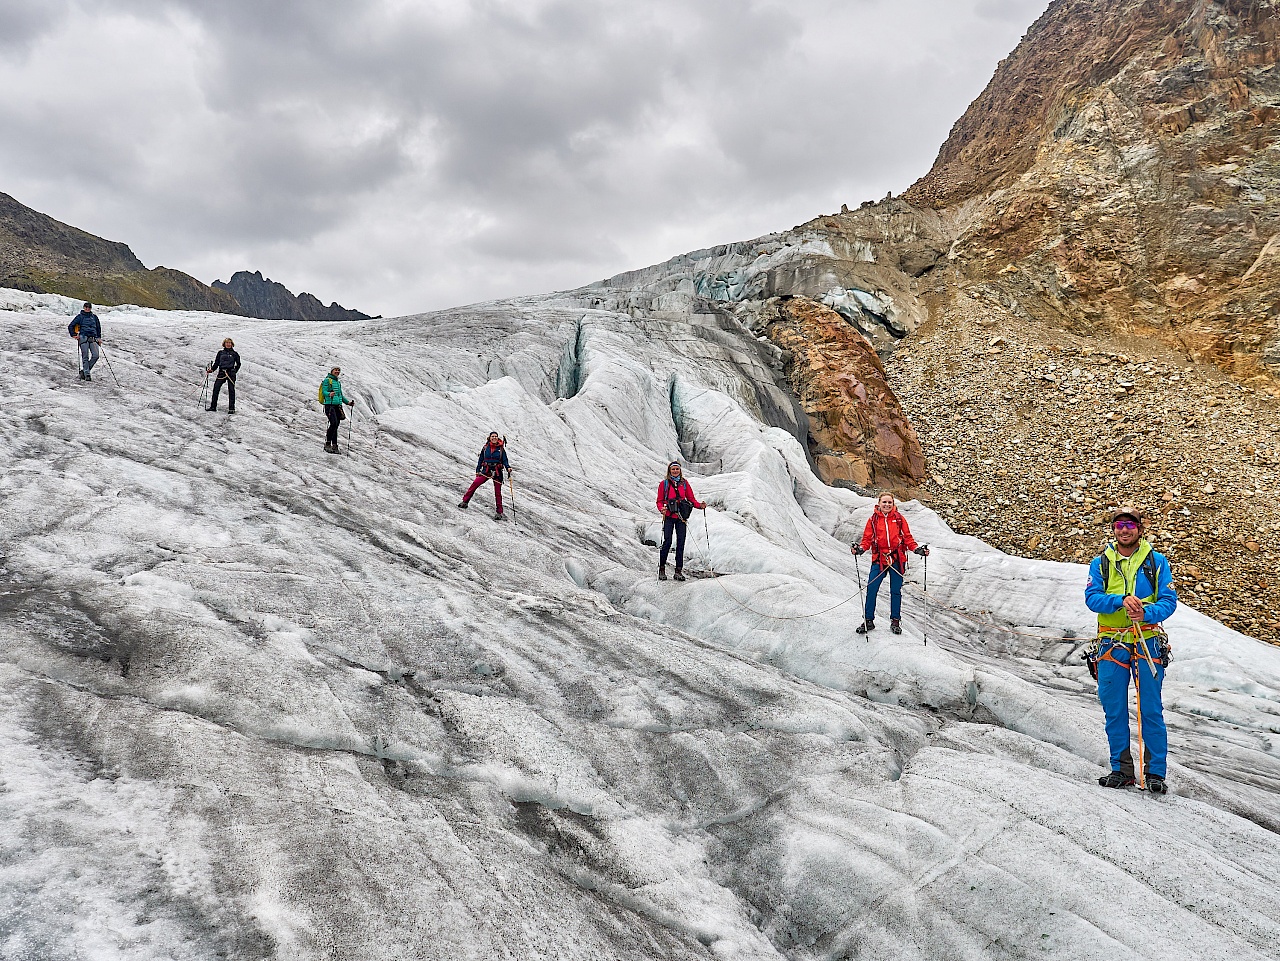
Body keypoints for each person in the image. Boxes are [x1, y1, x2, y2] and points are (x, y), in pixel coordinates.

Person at [1084, 506, 1178, 794]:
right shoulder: (1101, 563)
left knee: (1150, 709)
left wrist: (1146, 612)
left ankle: (1155, 774)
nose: (1125, 529)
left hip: (1147, 640)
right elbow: (1092, 598)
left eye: (1130, 524)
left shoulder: (1156, 562)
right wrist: (1120, 601)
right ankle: (1121, 769)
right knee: (1114, 709)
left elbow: (1169, 600)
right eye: (1119, 524)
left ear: (1140, 528)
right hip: (1112, 641)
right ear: (1114, 529)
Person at [852, 492, 928, 635]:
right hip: (879, 559)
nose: (887, 505)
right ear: (879, 504)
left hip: (897, 559)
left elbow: (907, 538)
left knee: (895, 591)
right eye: (884, 502)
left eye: (889, 503)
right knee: (872, 588)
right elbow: (867, 539)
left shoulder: (899, 519)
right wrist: (860, 549)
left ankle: (895, 621)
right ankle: (868, 620)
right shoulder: (873, 520)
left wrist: (917, 549)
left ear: (893, 504)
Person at [656, 462, 705, 581]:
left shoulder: (684, 483)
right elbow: (660, 500)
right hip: (668, 516)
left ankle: (678, 571)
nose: (675, 471)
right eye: (673, 469)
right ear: (669, 470)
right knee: (667, 542)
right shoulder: (664, 484)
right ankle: (661, 569)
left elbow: (691, 498)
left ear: (680, 470)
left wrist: (700, 506)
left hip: (681, 517)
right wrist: (661, 509)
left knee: (681, 543)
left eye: (677, 469)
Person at [459, 432, 512, 519]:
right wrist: (477, 470)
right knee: (475, 484)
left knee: (497, 492)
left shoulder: (501, 449)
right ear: (489, 438)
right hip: (486, 470)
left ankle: (499, 512)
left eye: (495, 436)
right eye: (492, 436)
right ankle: (465, 501)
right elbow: (481, 459)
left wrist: (508, 467)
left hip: (497, 471)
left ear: (497, 438)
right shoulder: (485, 448)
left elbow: (505, 460)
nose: (494, 438)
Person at [319, 367, 354, 453]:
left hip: (337, 406)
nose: (337, 372)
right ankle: (327, 444)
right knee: (333, 424)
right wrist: (329, 394)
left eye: (338, 370)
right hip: (329, 405)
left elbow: (340, 396)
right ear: (332, 371)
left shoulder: (338, 383)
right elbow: (324, 391)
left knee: (336, 425)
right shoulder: (327, 380)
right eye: (336, 370)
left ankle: (334, 445)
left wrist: (348, 403)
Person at [68, 302, 102, 381]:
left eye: (89, 307)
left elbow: (98, 328)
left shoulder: (94, 317)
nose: (87, 309)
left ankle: (84, 372)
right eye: (86, 307)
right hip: (83, 337)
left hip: (93, 338)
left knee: (96, 355)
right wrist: (73, 334)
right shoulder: (80, 317)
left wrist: (99, 338)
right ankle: (87, 375)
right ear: (84, 307)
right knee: (85, 356)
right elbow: (71, 326)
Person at [206, 338, 241, 412]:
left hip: (231, 373)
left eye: (229, 343)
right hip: (222, 372)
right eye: (227, 343)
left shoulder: (235, 354)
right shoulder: (220, 353)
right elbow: (217, 362)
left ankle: (231, 409)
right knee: (216, 389)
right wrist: (212, 369)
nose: (228, 344)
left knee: (231, 390)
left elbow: (238, 364)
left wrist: (235, 371)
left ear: (232, 344)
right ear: (224, 344)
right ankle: (213, 407)